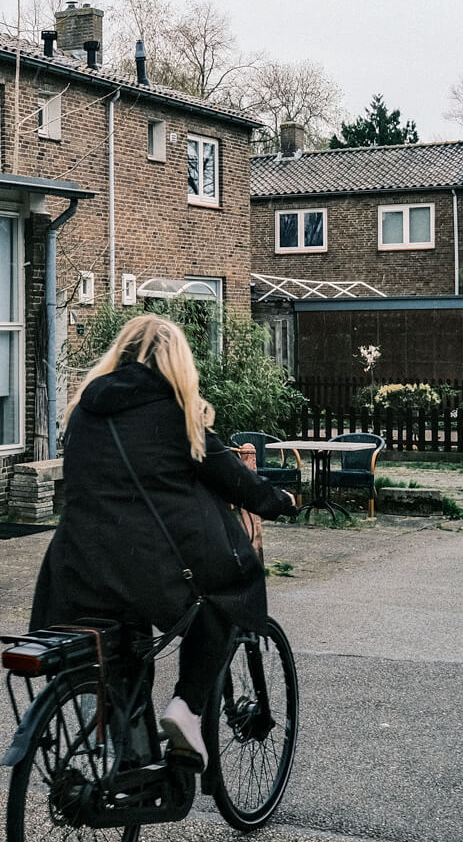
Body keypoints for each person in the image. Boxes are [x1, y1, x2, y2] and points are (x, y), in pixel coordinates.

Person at [29, 315, 298, 767]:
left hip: (75, 566)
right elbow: (233, 478)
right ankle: (187, 709)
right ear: (177, 362)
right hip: (143, 568)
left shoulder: (84, 409)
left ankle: (124, 764)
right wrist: (279, 500)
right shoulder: (177, 413)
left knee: (123, 653)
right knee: (225, 597)